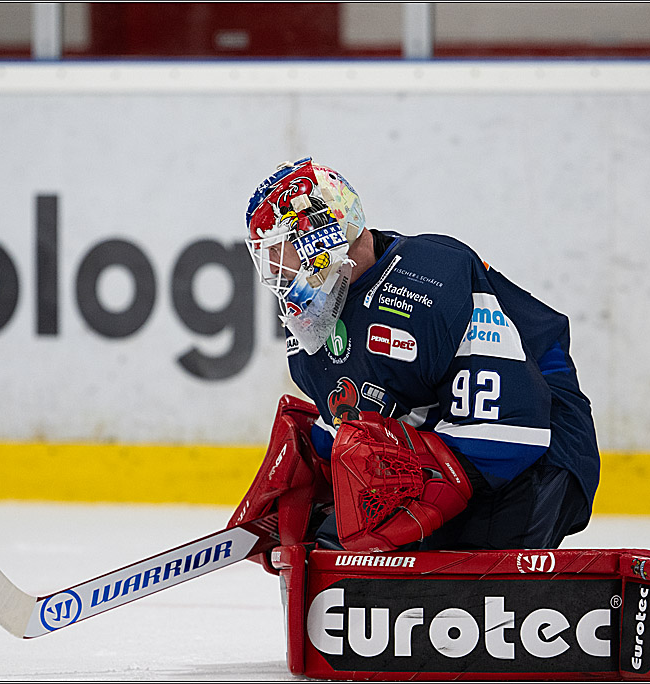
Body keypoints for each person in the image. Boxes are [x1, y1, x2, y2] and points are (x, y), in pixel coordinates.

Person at [235, 156, 600, 554]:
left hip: (542, 447)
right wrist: (316, 462)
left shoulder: (434, 282)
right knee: (333, 556)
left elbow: (513, 432)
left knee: (470, 576)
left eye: (279, 251)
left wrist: (411, 479)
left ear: (321, 235)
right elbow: (373, 413)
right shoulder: (312, 327)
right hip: (451, 442)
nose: (275, 273)